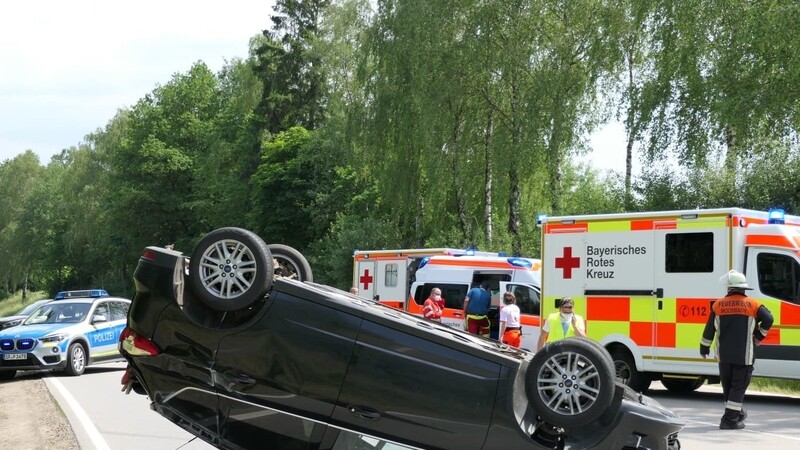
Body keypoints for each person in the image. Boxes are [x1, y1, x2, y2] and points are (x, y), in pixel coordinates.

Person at [700, 269, 773, 430]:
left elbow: (709, 330)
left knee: (728, 386)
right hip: (744, 354)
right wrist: (759, 337)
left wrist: (704, 348)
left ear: (729, 288)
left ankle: (736, 413)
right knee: (738, 386)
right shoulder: (753, 304)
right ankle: (729, 420)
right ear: (743, 288)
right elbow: (769, 319)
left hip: (724, 355)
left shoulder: (718, 305)